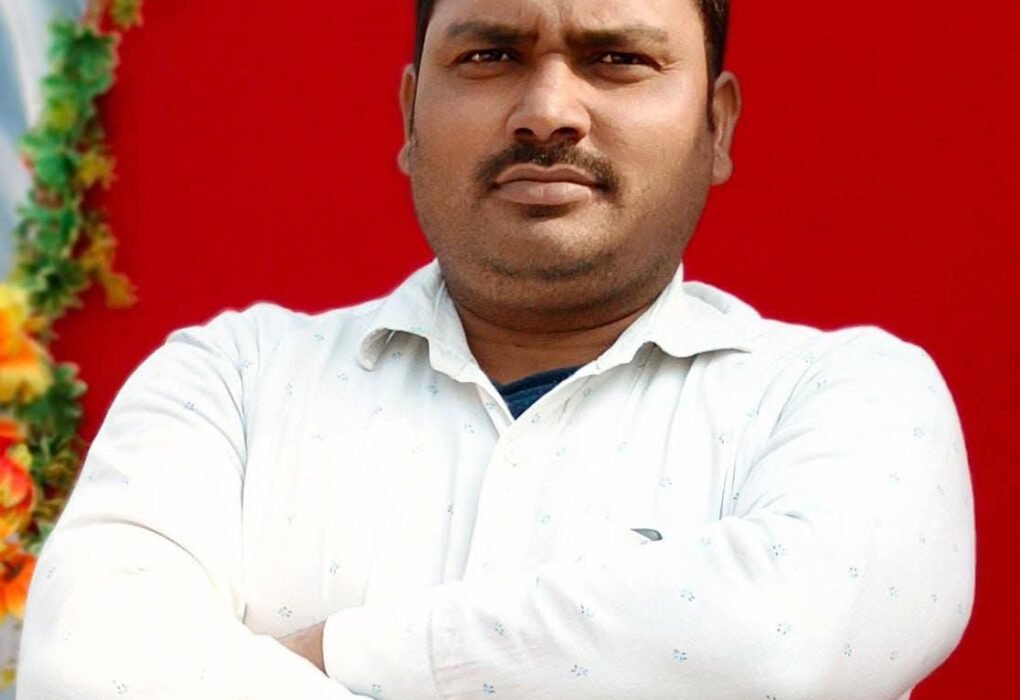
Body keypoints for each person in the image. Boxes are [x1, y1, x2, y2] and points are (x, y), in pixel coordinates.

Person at [17, 0, 975, 698]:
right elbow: (91, 672)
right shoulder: (230, 382)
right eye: (489, 55)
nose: (548, 110)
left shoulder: (853, 397)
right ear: (407, 117)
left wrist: (341, 655)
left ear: (715, 126)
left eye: (617, 59)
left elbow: (782, 639)